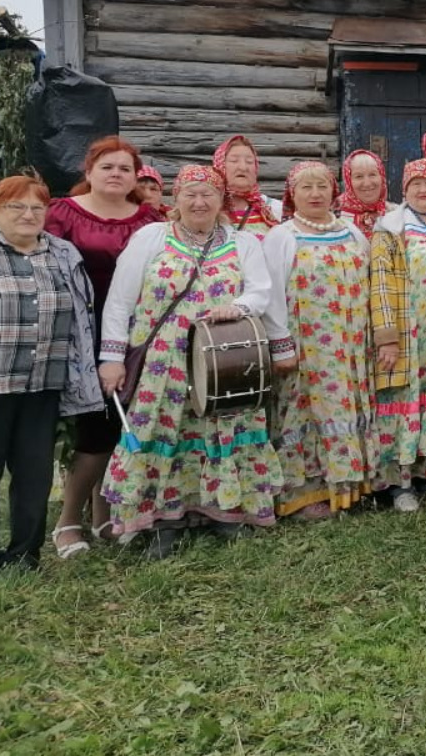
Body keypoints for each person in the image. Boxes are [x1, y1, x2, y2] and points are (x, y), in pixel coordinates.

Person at [99, 166, 282, 558]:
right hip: (164, 363)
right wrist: (111, 358)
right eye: (190, 195)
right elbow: (118, 301)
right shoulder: (151, 238)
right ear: (176, 199)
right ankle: (166, 520)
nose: (199, 203)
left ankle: (223, 512)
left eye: (208, 195)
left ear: (221, 202)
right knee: (169, 432)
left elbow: (260, 291)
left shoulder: (242, 242)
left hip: (224, 363)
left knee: (221, 430)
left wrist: (237, 306)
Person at [44, 137, 166, 559]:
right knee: (94, 429)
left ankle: (104, 516)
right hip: (81, 331)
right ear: (89, 171)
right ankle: (67, 521)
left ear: (136, 177)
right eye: (107, 166)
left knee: (122, 425)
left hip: (137, 335)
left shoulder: (149, 220)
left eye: (124, 168)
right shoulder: (63, 215)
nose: (116, 174)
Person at [0, 175, 102, 573]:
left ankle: (25, 554)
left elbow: (82, 318)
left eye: (37, 207)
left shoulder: (63, 252)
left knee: (34, 472)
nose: (28, 214)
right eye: (16, 207)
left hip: (43, 382)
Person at [262, 162, 374, 519]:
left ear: (333, 191)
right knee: (303, 411)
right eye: (306, 188)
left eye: (321, 186)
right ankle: (303, 495)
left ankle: (346, 487)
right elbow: (272, 295)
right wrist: (280, 343)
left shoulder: (353, 232)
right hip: (307, 344)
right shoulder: (283, 236)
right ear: (292, 195)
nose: (314, 194)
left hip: (351, 342)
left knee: (346, 407)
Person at [370, 158, 426, 510]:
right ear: (404, 191)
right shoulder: (391, 229)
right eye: (414, 185)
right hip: (411, 336)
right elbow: (379, 285)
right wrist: (387, 337)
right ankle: (399, 484)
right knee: (405, 401)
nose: (423, 190)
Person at [214, 135, 282, 236]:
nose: (243, 167)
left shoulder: (274, 209)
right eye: (234, 161)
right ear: (220, 165)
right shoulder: (207, 208)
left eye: (249, 162)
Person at [336, 149, 391, 237]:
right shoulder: (334, 216)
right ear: (348, 181)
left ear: (382, 177)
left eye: (372, 175)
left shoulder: (395, 213)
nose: (367, 183)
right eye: (359, 176)